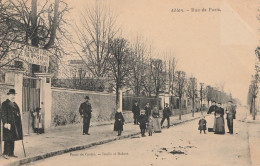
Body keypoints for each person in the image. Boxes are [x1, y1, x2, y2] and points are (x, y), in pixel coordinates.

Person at [1, 89, 23, 159]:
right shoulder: (5, 104)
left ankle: (11, 153)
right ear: (8, 95)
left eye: (14, 95)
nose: (13, 96)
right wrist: (5, 123)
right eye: (11, 95)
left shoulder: (15, 104)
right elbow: (3, 114)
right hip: (8, 124)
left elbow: (18, 113)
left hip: (14, 125)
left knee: (12, 138)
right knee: (7, 138)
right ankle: (5, 153)